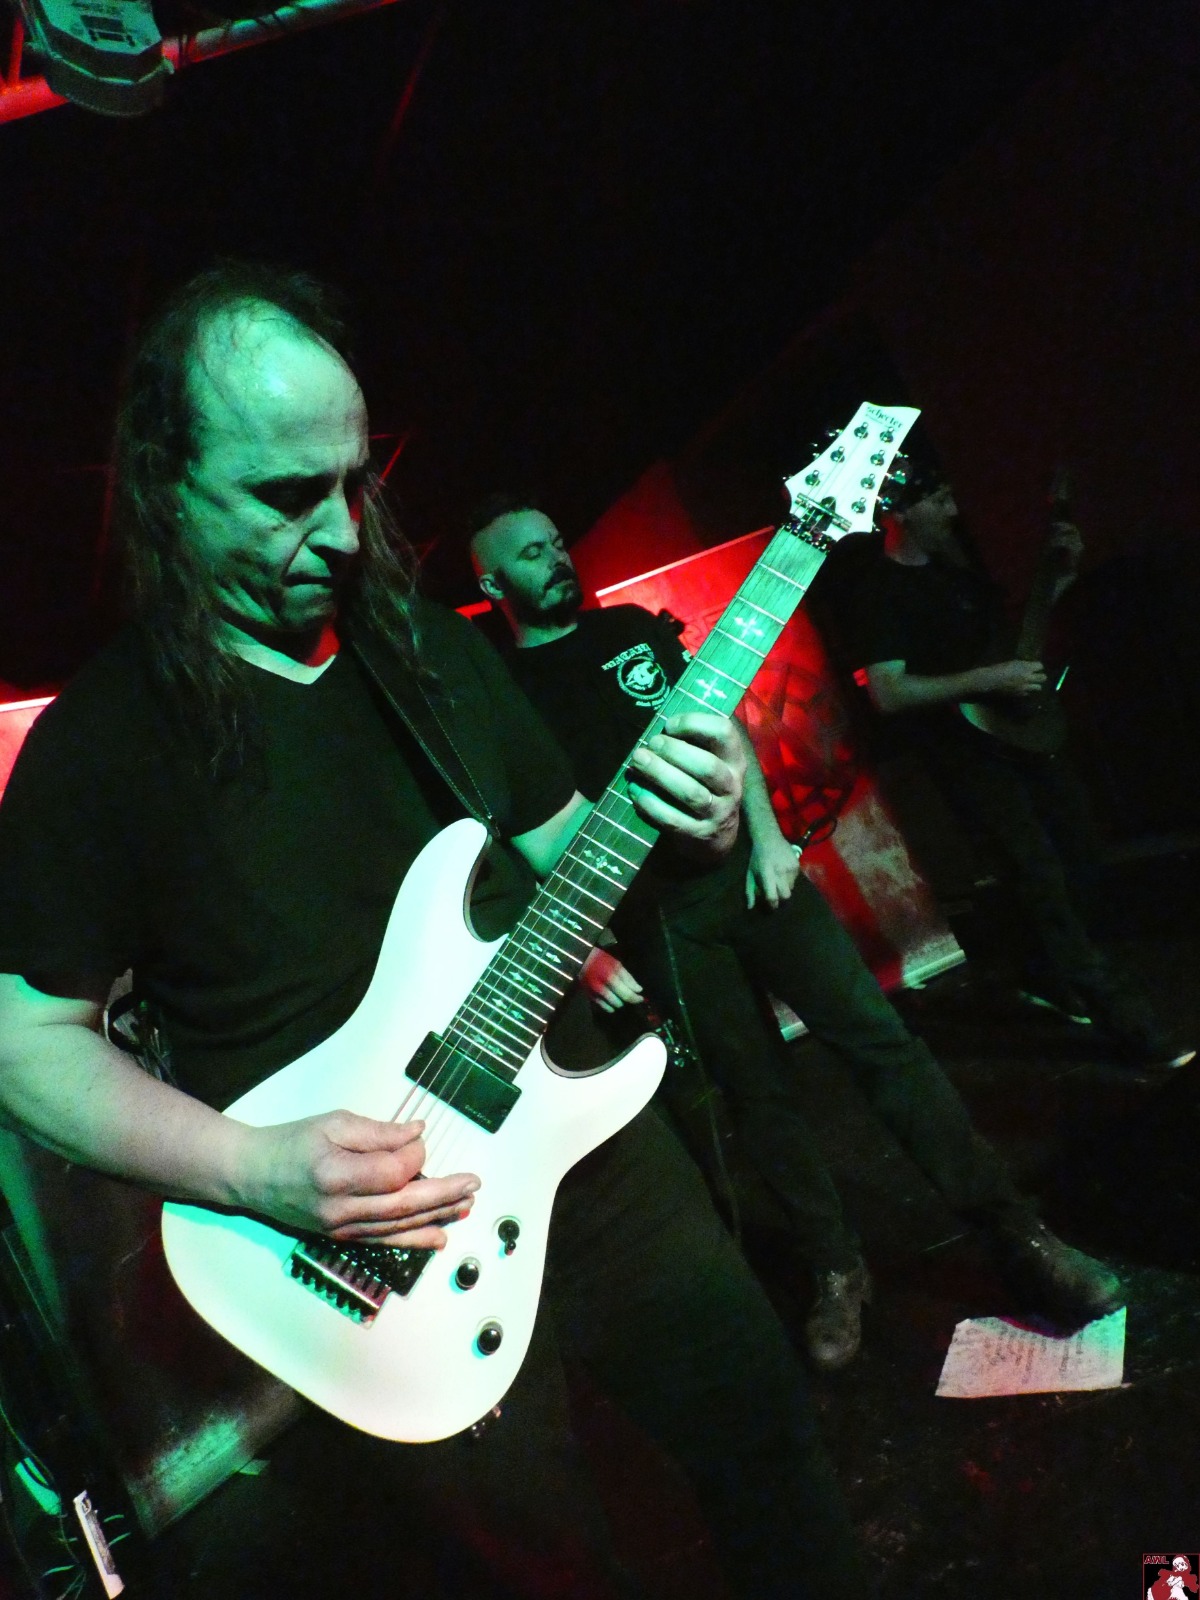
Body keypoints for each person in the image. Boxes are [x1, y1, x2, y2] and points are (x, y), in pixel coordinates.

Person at [0, 264, 871, 1599]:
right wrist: (247, 1167)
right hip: (366, 1239)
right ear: (168, 489)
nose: (344, 533)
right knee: (546, 1571)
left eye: (353, 482)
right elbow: (23, 1040)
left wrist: (689, 822)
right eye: (287, 495)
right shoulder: (97, 748)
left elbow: (566, 847)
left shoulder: (424, 646)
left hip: (585, 1144)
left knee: (769, 1446)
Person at [467, 497, 1124, 1374]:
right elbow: (518, 834)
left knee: (882, 1044)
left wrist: (772, 838)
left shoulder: (626, 630)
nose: (555, 558)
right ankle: (836, 1268)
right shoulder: (503, 692)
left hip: (749, 876)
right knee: (757, 1099)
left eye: (557, 541)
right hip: (658, 922)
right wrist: (585, 951)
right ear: (491, 584)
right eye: (531, 553)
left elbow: (725, 729)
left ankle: (1017, 1234)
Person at [833, 466, 1194, 1072]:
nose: (952, 510)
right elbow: (889, 693)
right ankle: (1131, 1026)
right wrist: (988, 679)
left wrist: (1059, 579)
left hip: (1021, 738)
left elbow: (1012, 643)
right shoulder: (876, 591)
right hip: (966, 756)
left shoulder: (953, 570)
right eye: (938, 499)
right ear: (898, 512)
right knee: (1038, 876)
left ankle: (1045, 973)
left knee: (1080, 854)